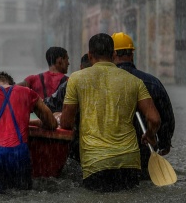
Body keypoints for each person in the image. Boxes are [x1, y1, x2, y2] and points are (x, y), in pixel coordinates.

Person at [60, 33, 161, 192]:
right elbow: (154, 119)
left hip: (96, 163)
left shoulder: (76, 79)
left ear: (90, 55)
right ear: (113, 54)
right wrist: (149, 135)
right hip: (130, 164)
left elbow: (66, 122)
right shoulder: (134, 81)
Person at [112, 32, 175, 178]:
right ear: (132, 54)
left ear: (112, 55)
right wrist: (164, 142)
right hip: (144, 151)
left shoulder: (102, 83)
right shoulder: (152, 82)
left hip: (111, 155)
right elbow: (166, 117)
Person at [44, 53, 91, 162]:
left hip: (77, 145)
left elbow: (51, 105)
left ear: (81, 67)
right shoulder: (115, 84)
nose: (69, 63)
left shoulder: (71, 83)